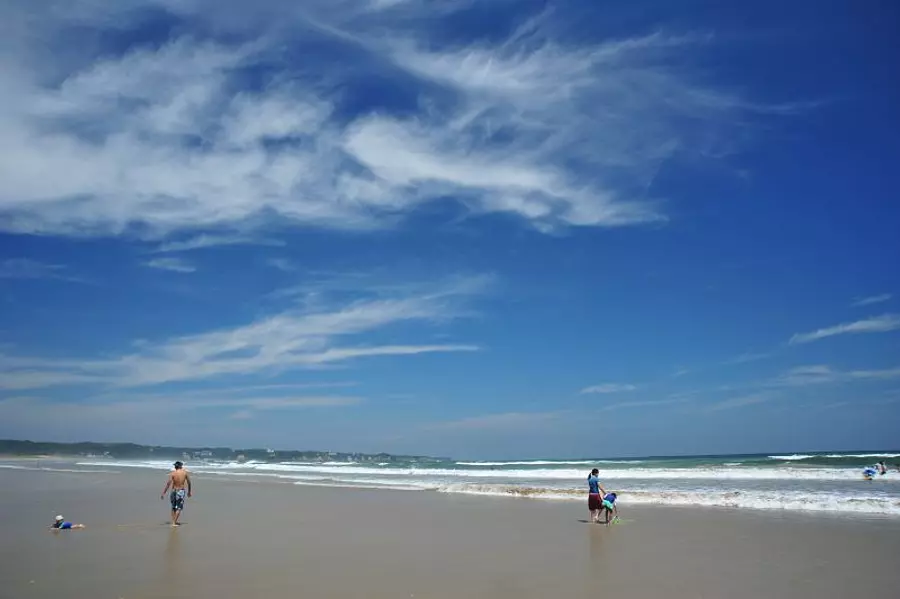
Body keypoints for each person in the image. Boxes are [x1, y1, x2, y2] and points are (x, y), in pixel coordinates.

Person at [160, 461, 192, 526]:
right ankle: (174, 523)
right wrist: (189, 491)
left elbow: (168, 484)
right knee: (179, 507)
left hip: (173, 491)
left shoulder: (173, 473)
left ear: (176, 466)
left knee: (173, 507)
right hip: (180, 491)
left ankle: (173, 521)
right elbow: (189, 482)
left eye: (174, 466)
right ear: (181, 466)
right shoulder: (185, 473)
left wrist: (163, 493)